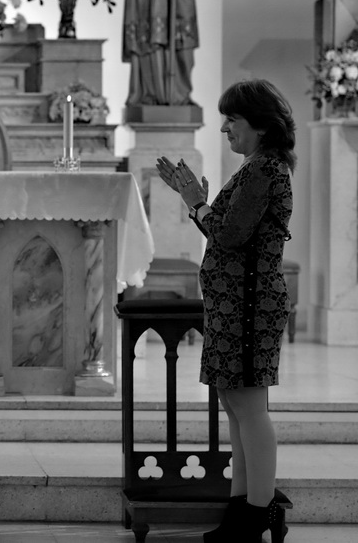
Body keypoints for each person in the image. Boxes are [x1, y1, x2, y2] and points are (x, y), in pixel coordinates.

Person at [156, 79, 295, 542]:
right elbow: (227, 233)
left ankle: (259, 513)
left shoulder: (264, 170)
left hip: (250, 304)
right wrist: (195, 203)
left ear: (259, 124)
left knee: (249, 409)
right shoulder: (256, 166)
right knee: (235, 408)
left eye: (232, 120)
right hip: (235, 303)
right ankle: (242, 509)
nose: (224, 128)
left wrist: (197, 201)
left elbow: (230, 235)